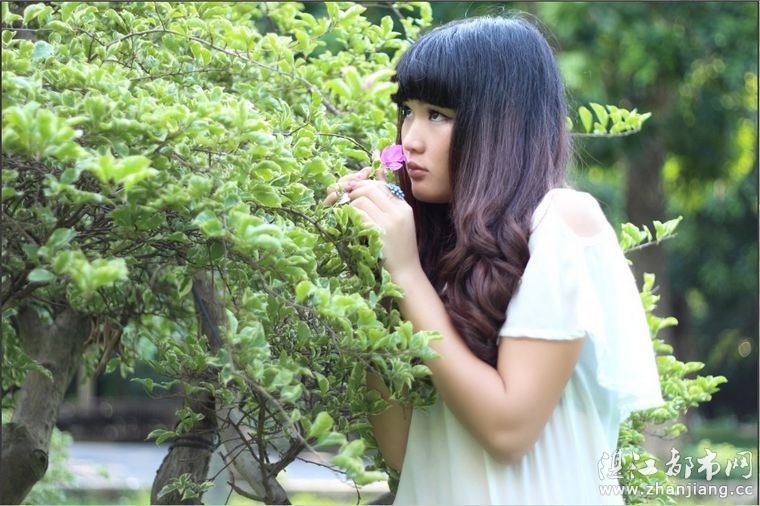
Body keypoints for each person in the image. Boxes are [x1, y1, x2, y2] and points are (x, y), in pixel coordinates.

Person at [326, 14, 663, 505]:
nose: (410, 138)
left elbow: (508, 431)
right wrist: (377, 272)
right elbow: (403, 449)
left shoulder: (562, 223)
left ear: (501, 124)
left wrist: (406, 275)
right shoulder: (437, 249)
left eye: (437, 115)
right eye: (407, 112)